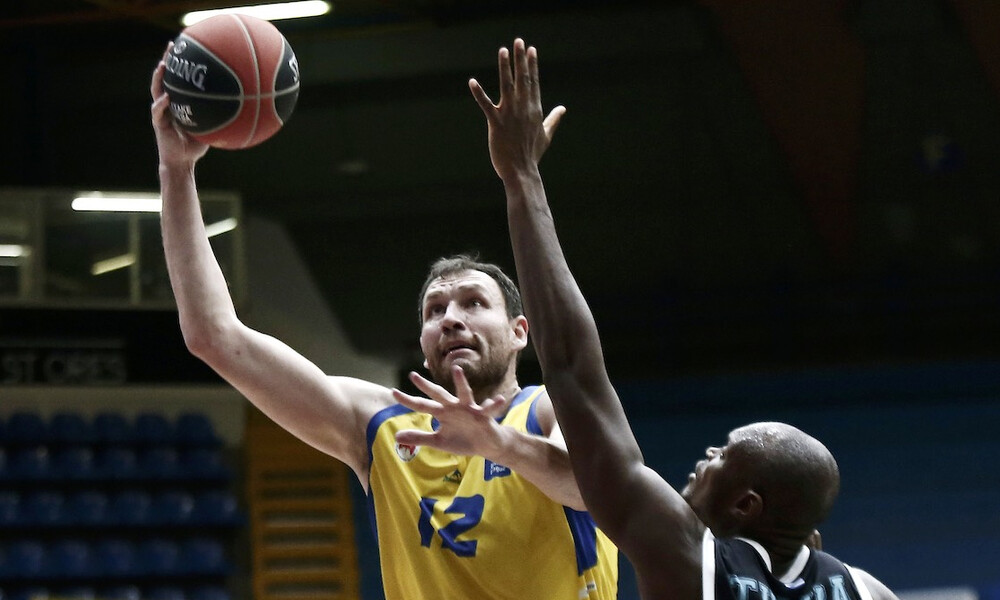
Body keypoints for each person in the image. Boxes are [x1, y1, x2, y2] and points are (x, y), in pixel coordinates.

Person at [148, 41, 617, 600]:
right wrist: (177, 170)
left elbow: (599, 488)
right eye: (435, 311)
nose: (451, 319)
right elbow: (214, 336)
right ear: (422, 342)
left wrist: (498, 445)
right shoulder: (379, 425)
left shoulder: (547, 408)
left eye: (473, 303)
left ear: (520, 332)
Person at [459, 37, 901, 600]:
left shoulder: (692, 558)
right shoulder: (864, 589)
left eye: (723, 456)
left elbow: (570, 368)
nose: (705, 458)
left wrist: (521, 176)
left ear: (745, 505)